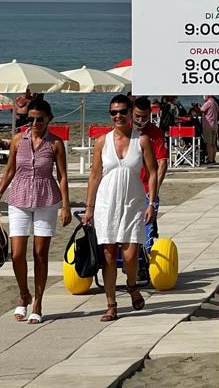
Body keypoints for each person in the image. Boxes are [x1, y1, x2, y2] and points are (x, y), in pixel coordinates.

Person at [0, 99, 70, 324]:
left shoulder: (55, 143)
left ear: (48, 119)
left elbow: (63, 176)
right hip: (19, 197)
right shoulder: (18, 139)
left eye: (39, 119)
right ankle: (24, 294)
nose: (34, 123)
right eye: (30, 118)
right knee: (16, 254)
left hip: (47, 199)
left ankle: (37, 302)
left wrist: (65, 205)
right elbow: (9, 171)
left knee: (40, 254)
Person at [81, 95, 158, 322]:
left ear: (130, 112)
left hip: (134, 203)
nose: (118, 116)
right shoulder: (102, 142)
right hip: (107, 203)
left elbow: (152, 172)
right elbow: (94, 175)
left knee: (131, 254)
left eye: (122, 111)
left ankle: (132, 285)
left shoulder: (141, 140)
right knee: (108, 254)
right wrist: (89, 208)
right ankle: (111, 304)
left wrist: (151, 202)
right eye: (113, 112)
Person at [132, 97, 168, 241]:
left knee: (147, 233)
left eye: (144, 116)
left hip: (146, 189)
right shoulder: (124, 130)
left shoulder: (156, 133)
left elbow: (162, 164)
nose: (140, 120)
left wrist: (153, 192)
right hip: (127, 188)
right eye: (137, 116)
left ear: (150, 114)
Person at [200, 95, 219, 165]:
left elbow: (201, 110)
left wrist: (197, 107)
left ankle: (210, 159)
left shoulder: (208, 102)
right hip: (214, 125)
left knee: (208, 143)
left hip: (208, 125)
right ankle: (213, 158)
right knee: (213, 143)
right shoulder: (215, 103)